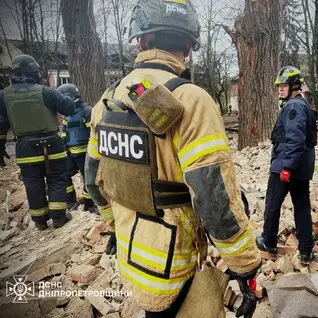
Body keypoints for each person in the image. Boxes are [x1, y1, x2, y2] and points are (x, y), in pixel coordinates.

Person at [85, 1, 261, 316]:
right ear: (189, 46)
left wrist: (113, 227)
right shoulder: (192, 100)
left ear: (140, 40)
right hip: (175, 268)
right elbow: (213, 199)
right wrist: (245, 266)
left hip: (132, 257)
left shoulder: (106, 101)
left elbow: (93, 180)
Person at [0, 54, 75, 230]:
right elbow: (69, 108)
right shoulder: (45, 91)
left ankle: (40, 221)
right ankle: (59, 217)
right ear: (34, 71)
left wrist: (1, 146)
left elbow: (2, 123)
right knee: (57, 178)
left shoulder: (4, 95)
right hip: (52, 143)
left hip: (25, 147)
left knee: (33, 182)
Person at [255, 65, 317, 265]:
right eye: (279, 86)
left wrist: (286, 168)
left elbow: (295, 139)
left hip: (286, 167)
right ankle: (306, 251)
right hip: (301, 169)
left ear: (295, 85)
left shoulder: (293, 107)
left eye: (284, 85)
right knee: (302, 208)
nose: (280, 89)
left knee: (272, 204)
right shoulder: (302, 104)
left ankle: (269, 241)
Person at [57, 84, 96, 213]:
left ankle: (90, 205)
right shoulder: (67, 114)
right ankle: (71, 201)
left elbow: (94, 133)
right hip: (71, 154)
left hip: (86, 154)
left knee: (88, 180)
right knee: (63, 175)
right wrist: (64, 148)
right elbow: (64, 133)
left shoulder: (87, 111)